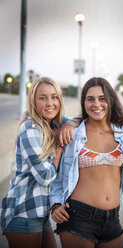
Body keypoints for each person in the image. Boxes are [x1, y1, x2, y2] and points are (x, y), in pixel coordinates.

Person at [50, 77, 123, 248]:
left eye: (102, 98)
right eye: (90, 99)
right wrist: (55, 204)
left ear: (110, 100)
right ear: (84, 102)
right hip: (77, 218)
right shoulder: (73, 133)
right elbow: (59, 175)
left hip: (113, 221)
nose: (96, 104)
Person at [0, 76, 77, 248]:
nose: (50, 103)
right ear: (33, 101)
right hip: (23, 212)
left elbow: (81, 120)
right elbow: (45, 176)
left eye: (54, 97)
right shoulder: (30, 130)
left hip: (40, 213)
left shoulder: (53, 123)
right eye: (43, 98)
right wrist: (58, 147)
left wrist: (69, 125)